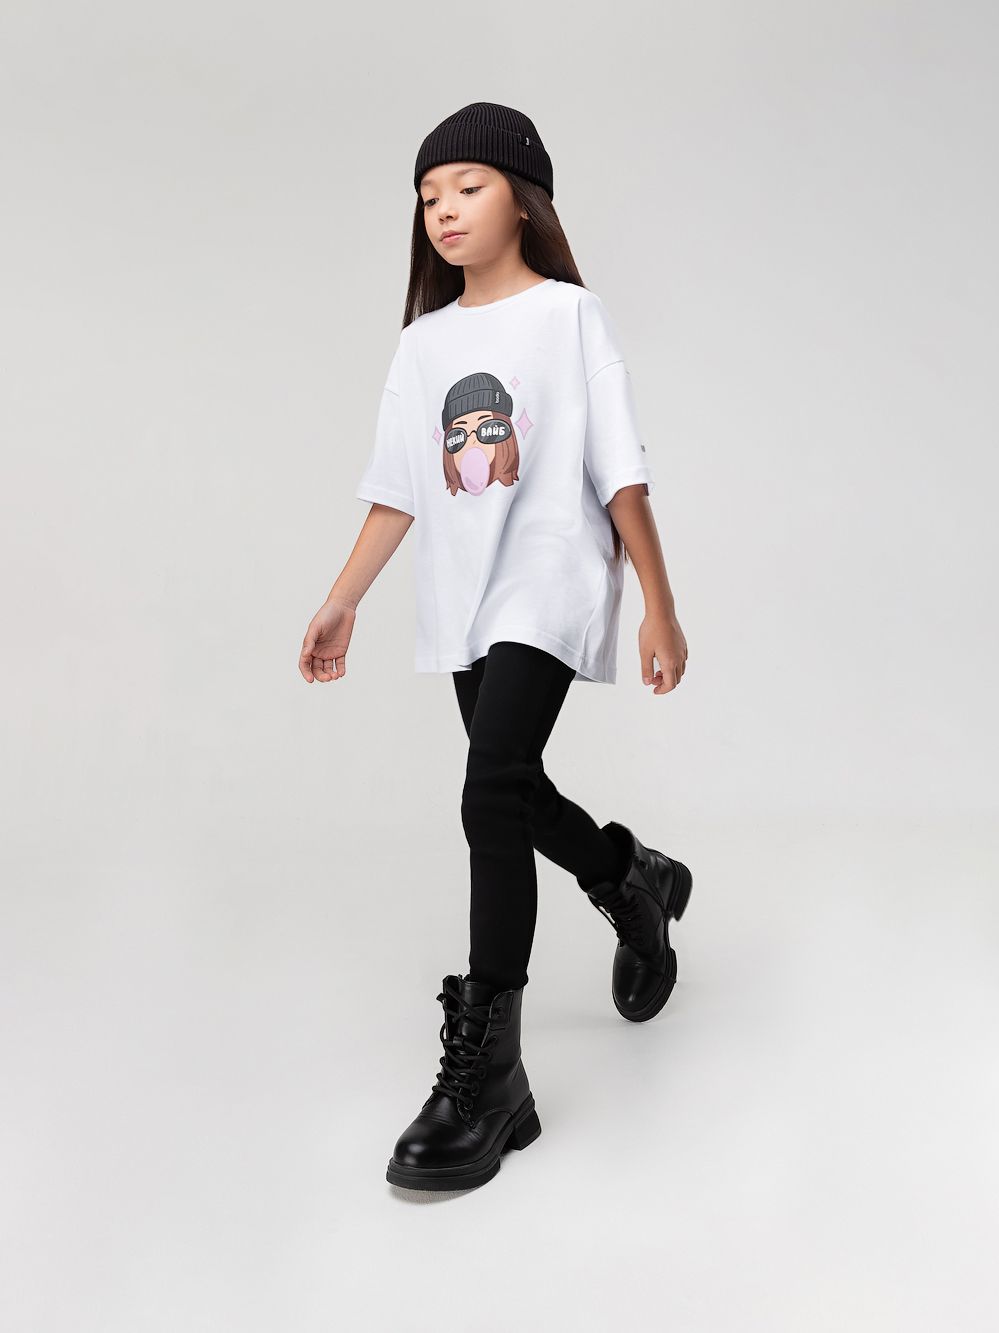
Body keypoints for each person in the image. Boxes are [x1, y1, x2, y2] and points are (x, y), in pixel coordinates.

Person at [299, 102, 692, 1192]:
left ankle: (491, 1080)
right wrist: (342, 601)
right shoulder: (423, 344)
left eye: (467, 186)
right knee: (510, 790)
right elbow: (397, 490)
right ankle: (630, 877)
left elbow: (620, 471)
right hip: (464, 595)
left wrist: (658, 604)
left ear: (523, 199)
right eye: (428, 196)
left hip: (551, 576)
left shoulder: (570, 317)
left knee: (487, 794)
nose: (444, 210)